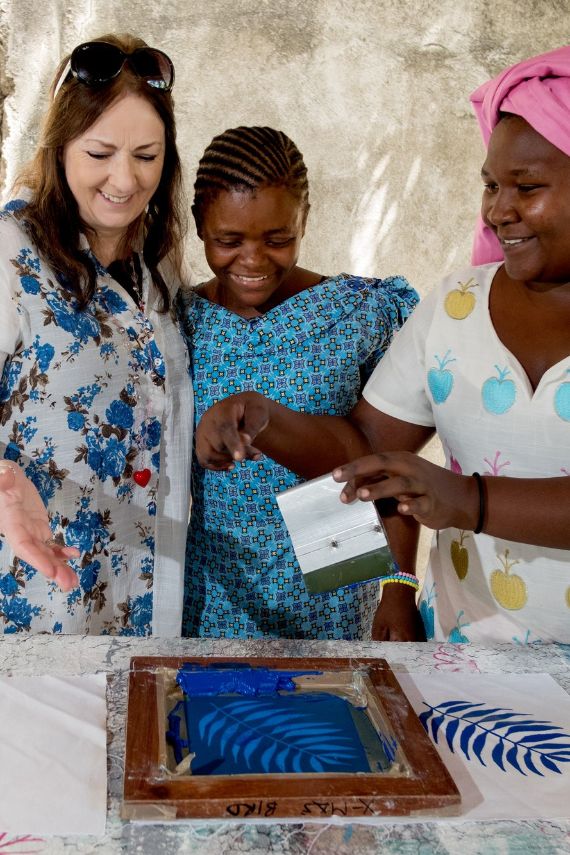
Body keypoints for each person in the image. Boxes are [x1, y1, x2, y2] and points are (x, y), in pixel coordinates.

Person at [195, 48, 570, 644]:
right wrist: (264, 419)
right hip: (226, 588)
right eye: (491, 184)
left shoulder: (360, 310)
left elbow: (409, 480)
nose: (499, 210)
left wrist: (409, 569)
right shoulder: (455, 311)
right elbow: (371, 448)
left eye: (526, 186)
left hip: (333, 582)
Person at [178, 125, 419, 638]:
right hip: (213, 582)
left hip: (335, 575)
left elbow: (393, 460)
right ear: (199, 224)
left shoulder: (360, 312)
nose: (253, 260)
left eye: (278, 238)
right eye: (228, 240)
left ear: (304, 220)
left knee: (326, 707)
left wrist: (398, 587)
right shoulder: (180, 320)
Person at [0, 34, 193, 635]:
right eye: (100, 152)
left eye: (146, 155)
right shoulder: (10, 254)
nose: (125, 179)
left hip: (138, 600)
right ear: (60, 148)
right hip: (31, 601)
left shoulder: (156, 269)